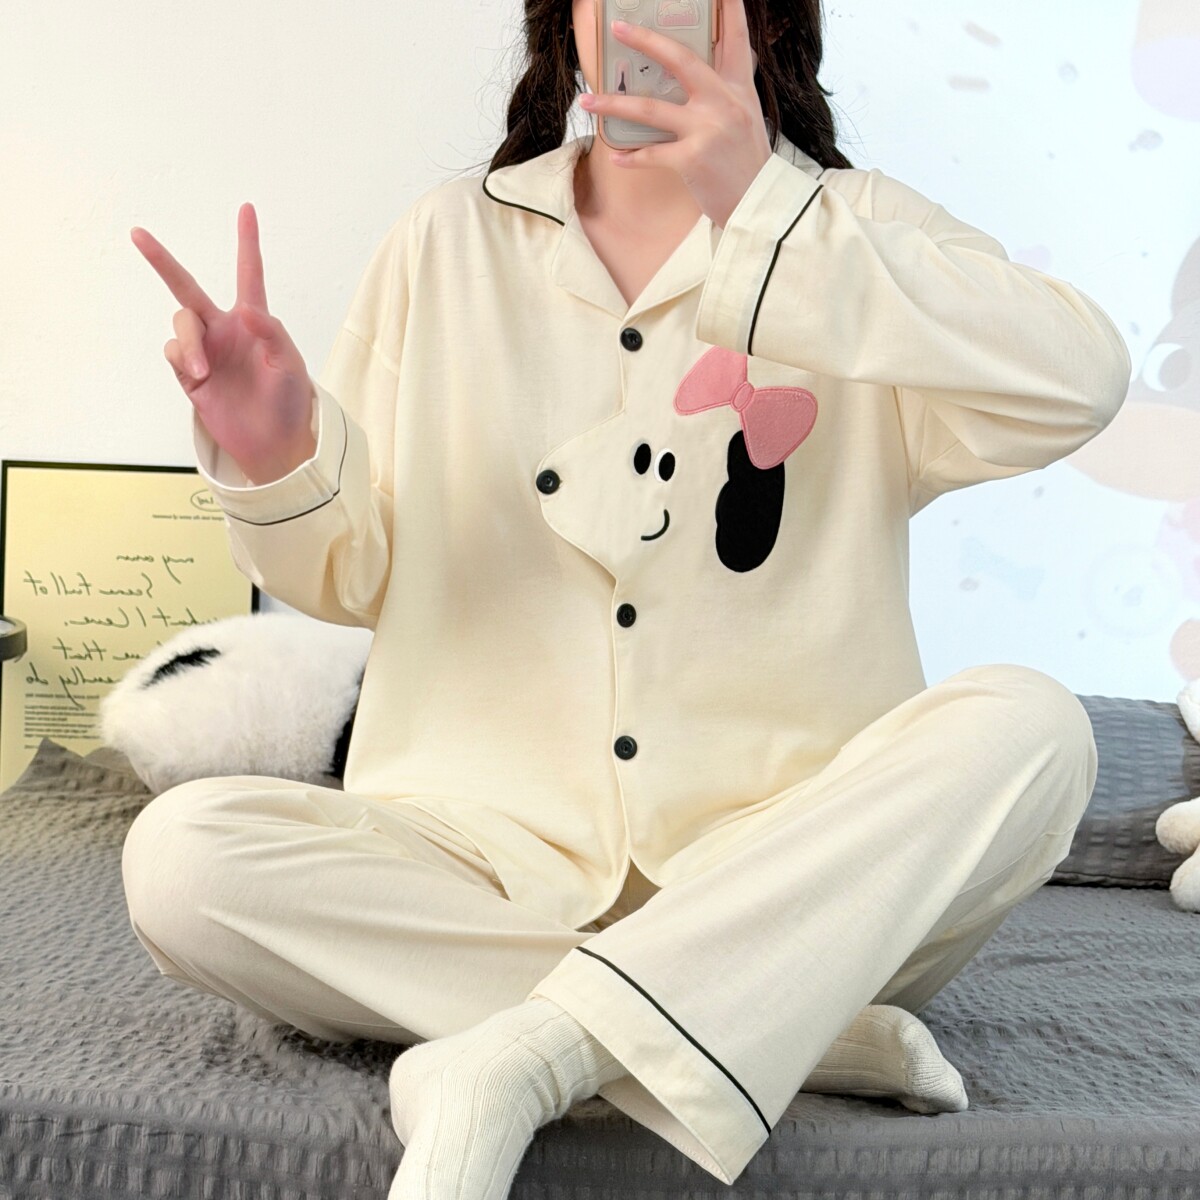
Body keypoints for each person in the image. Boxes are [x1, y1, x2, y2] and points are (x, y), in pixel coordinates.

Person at [124, 1, 1132, 1196]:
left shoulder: (857, 232)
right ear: (568, 18)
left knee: (1036, 728)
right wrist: (278, 456)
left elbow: (1078, 380)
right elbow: (348, 575)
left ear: (757, 19)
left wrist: (765, 214)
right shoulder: (448, 242)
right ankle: (773, 1036)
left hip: (796, 883)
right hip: (480, 860)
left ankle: (533, 1054)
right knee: (182, 860)